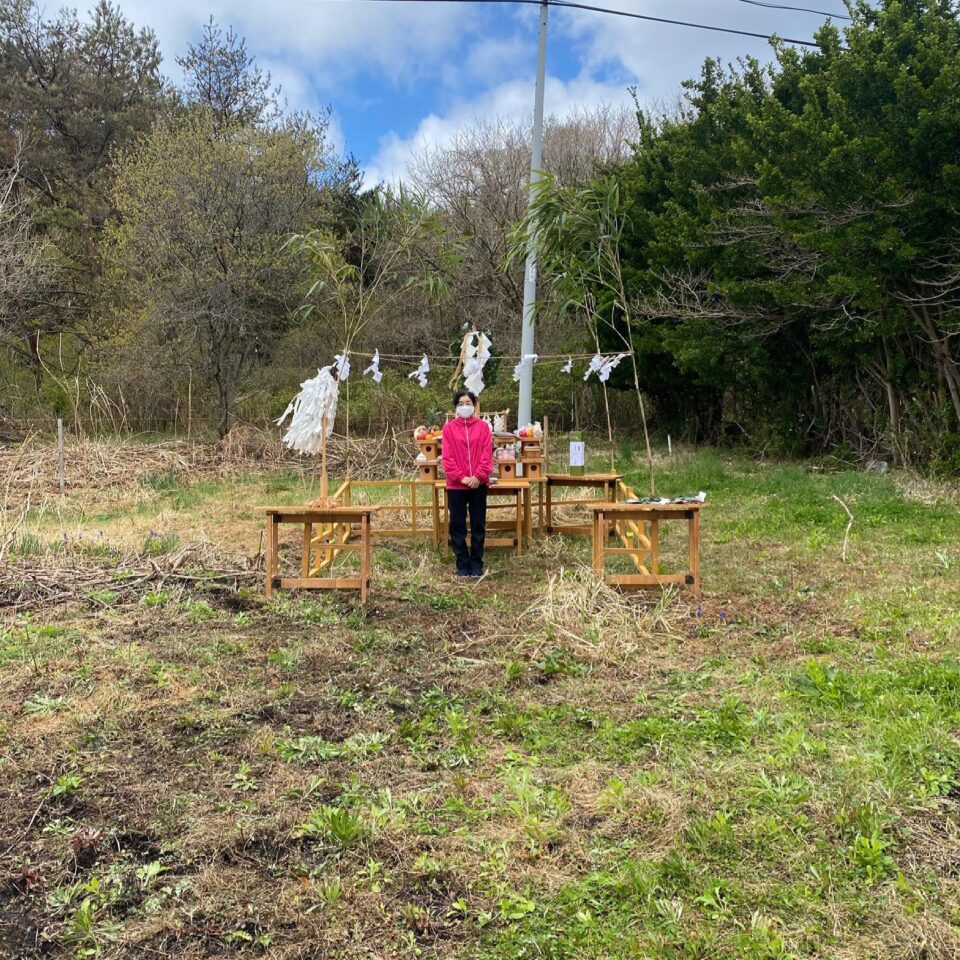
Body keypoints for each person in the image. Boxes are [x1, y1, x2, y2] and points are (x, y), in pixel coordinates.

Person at [441, 390, 493, 577]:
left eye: (468, 403)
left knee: (478, 525)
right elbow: (447, 458)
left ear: (474, 405)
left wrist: (478, 476)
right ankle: (462, 563)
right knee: (457, 525)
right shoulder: (448, 429)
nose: (465, 406)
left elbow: (487, 455)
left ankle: (477, 563)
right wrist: (461, 477)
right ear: (455, 407)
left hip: (478, 485)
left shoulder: (483, 427)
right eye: (461, 403)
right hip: (456, 486)